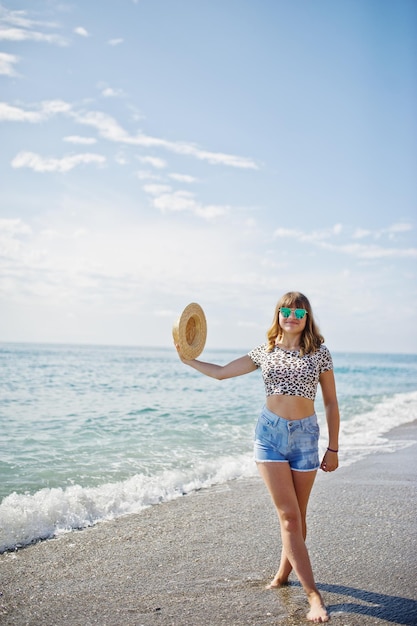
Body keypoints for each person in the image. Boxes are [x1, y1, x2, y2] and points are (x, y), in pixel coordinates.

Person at [175, 291, 340, 623]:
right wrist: (188, 360)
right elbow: (222, 372)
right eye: (285, 309)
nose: (291, 315)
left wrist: (333, 448)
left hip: (306, 437)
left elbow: (331, 403)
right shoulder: (265, 351)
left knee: (297, 517)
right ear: (277, 314)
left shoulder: (319, 353)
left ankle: (282, 575)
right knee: (289, 518)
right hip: (269, 437)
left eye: (298, 311)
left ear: (307, 317)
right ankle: (314, 596)